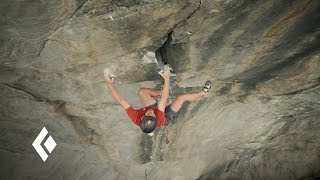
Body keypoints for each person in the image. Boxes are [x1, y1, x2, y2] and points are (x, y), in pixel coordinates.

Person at [104, 67, 211, 134]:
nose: (151, 112)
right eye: (152, 115)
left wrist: (109, 82)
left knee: (142, 92)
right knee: (181, 98)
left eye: (148, 114)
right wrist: (167, 77)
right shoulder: (159, 117)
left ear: (142, 118)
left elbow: (121, 101)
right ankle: (203, 93)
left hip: (154, 111)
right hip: (166, 116)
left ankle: (160, 91)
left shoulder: (135, 116)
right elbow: (163, 100)